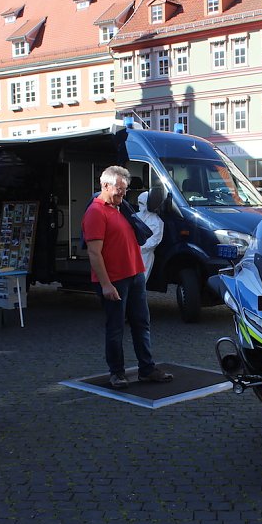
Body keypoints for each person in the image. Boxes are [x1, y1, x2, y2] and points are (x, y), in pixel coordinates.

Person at [82, 166, 173, 388]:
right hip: (115, 280)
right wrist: (105, 285)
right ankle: (117, 373)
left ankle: (147, 369)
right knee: (115, 328)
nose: (123, 193)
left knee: (141, 323)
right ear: (105, 185)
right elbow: (93, 253)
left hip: (134, 275)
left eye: (125, 189)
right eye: (120, 189)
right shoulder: (96, 212)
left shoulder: (121, 207)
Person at [135, 190, 164, 280]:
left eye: (142, 203)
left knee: (140, 281)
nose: (140, 206)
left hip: (145, 256)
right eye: (139, 203)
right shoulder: (136, 216)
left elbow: (154, 241)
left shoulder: (156, 222)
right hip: (132, 254)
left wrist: (138, 247)